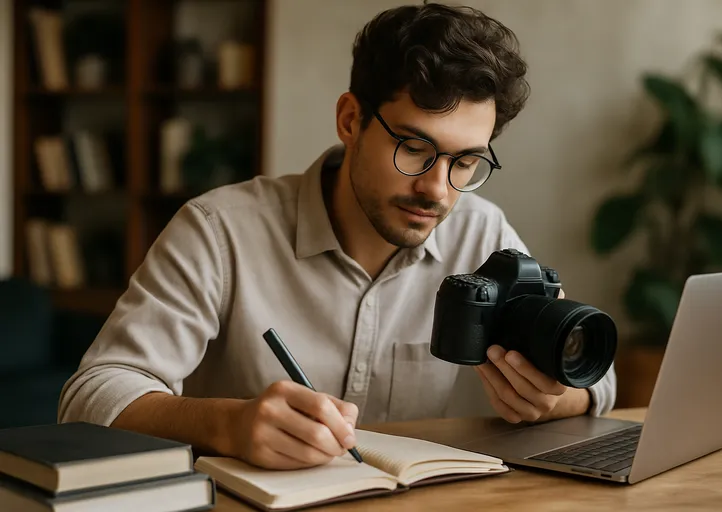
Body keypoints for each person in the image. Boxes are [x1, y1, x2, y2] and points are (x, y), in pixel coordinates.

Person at [58, 2, 616, 471]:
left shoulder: (484, 235)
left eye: (465, 161)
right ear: (351, 120)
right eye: (415, 149)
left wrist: (556, 397)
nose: (438, 190)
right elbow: (90, 397)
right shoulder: (219, 230)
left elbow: (597, 377)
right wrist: (229, 424)